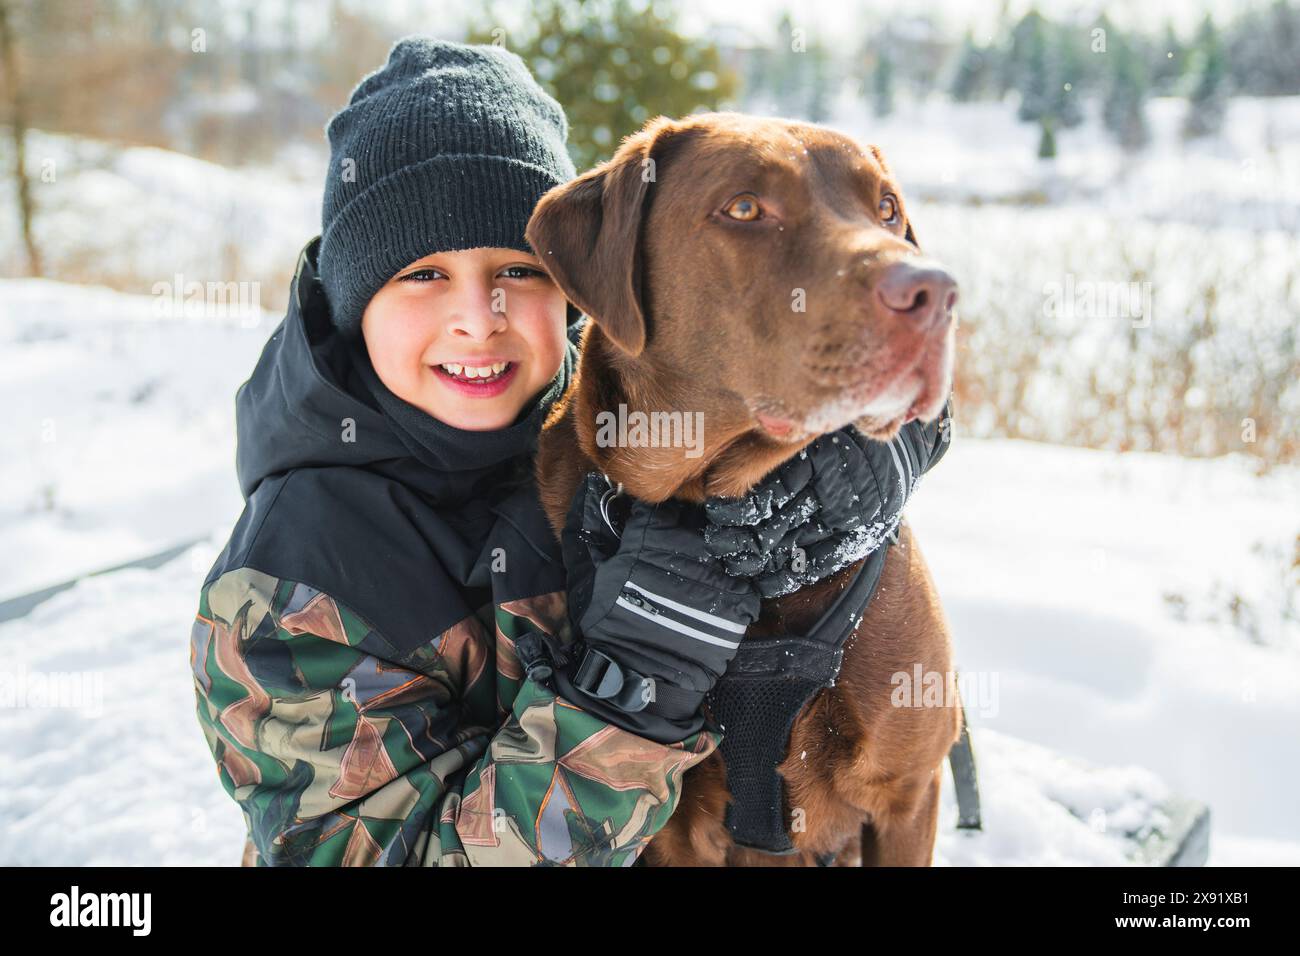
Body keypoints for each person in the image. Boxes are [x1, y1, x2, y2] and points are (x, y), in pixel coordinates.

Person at [189, 36, 951, 867]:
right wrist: (631, 693)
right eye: (421, 276)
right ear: (353, 303)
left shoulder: (602, 425)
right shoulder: (291, 581)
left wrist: (889, 439)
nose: (479, 319)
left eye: (518, 270)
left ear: (577, 285)